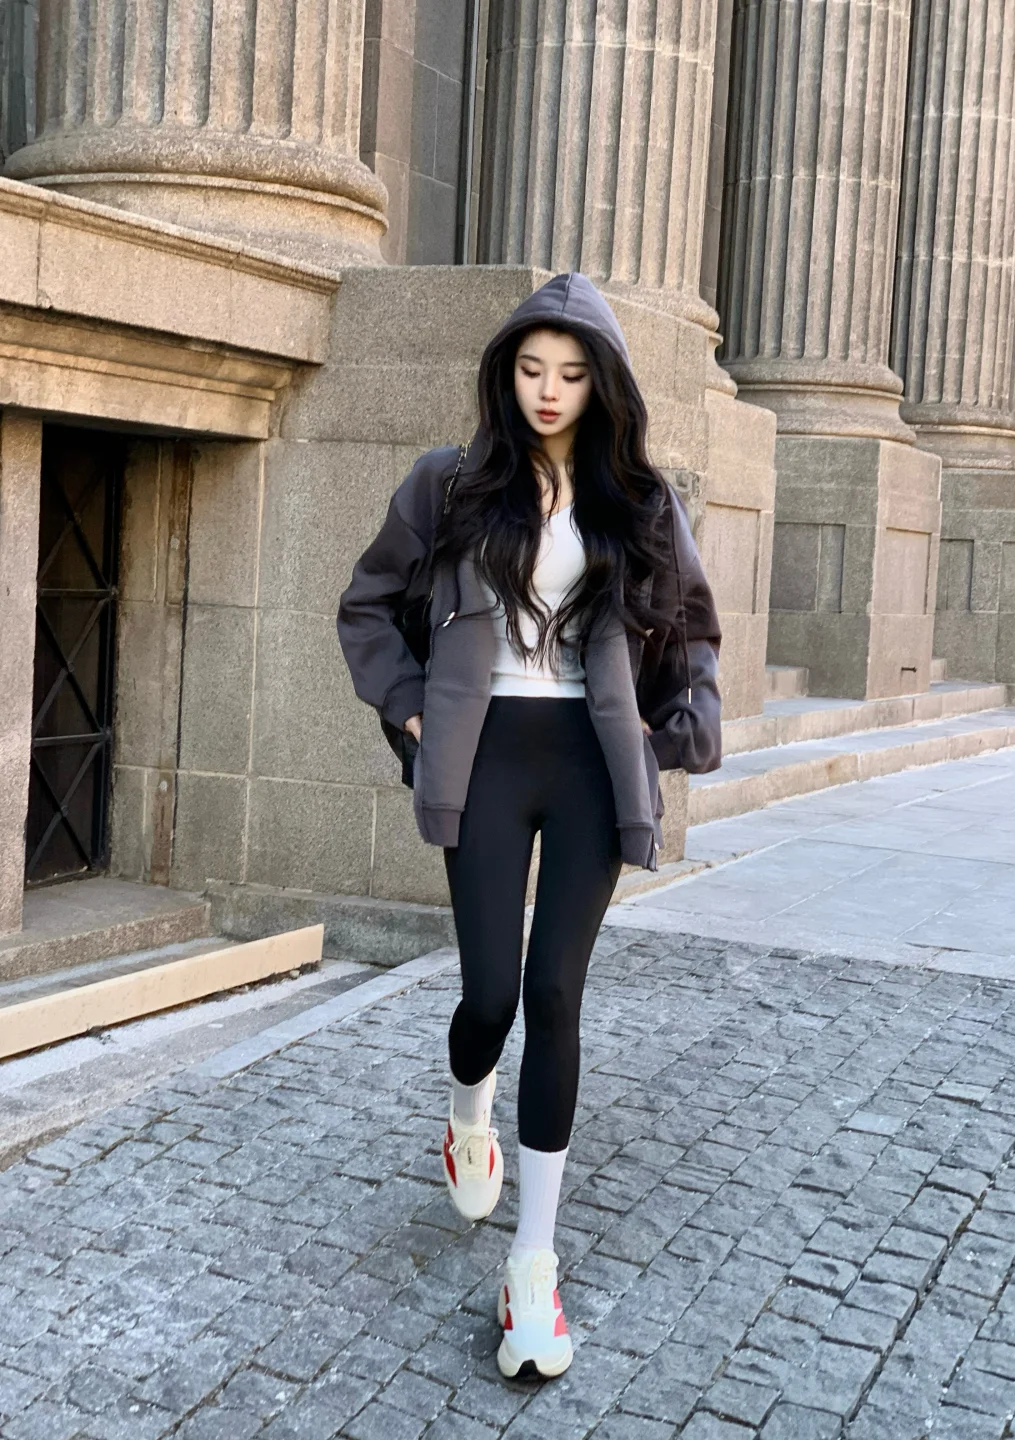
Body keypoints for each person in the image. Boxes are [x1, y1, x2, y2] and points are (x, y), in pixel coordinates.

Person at [338, 272, 721, 1380]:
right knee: (490, 997)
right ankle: (469, 1113)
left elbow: (693, 626)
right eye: (531, 368)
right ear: (506, 374)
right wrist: (412, 708)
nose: (549, 390)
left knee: (555, 995)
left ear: (603, 386)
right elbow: (367, 604)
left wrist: (670, 727)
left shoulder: (638, 501)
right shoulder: (450, 485)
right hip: (488, 755)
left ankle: (533, 1268)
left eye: (572, 373)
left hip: (592, 762)